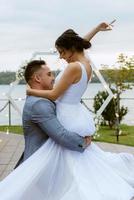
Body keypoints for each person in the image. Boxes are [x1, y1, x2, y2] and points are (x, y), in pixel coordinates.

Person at [0, 21, 134, 200]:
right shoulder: (85, 63)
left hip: (66, 114)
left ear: (71, 49)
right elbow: (80, 43)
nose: (61, 57)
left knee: (70, 161)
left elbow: (54, 95)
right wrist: (96, 29)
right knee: (73, 161)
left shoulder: (73, 67)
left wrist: (30, 91)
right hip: (74, 111)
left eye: (62, 52)